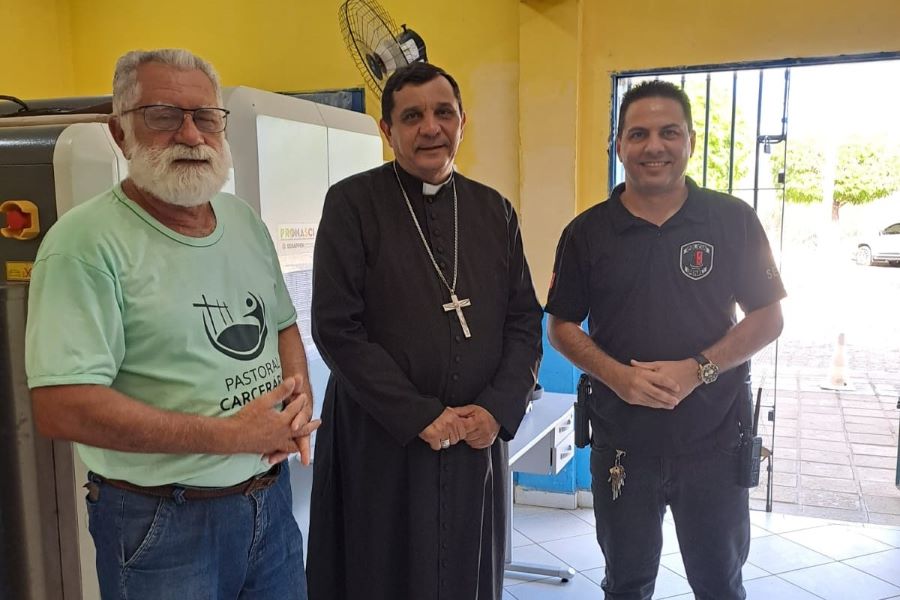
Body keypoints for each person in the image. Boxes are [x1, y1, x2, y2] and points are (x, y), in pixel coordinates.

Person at [25, 48, 317, 599]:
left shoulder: (243, 221)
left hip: (269, 502)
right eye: (162, 116)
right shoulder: (84, 245)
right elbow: (61, 405)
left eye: (205, 116)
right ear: (120, 133)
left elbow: (282, 324)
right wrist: (232, 437)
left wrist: (296, 403)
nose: (190, 135)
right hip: (163, 524)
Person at [307, 61, 543, 600]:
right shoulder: (351, 204)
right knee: (379, 573)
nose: (430, 128)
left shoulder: (495, 211)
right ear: (386, 130)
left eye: (443, 113)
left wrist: (497, 410)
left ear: (463, 122)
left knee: (466, 574)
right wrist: (418, 415)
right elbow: (337, 328)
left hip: (473, 439)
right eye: (412, 117)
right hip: (383, 438)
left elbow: (524, 320)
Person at [546, 80, 786, 600]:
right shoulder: (586, 233)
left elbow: (769, 317)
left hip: (715, 442)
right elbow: (561, 327)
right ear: (619, 145)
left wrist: (698, 368)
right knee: (626, 584)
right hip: (622, 445)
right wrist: (618, 377)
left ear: (691, 142)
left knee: (719, 584)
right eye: (638, 134)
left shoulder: (733, 220)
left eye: (669, 132)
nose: (654, 146)